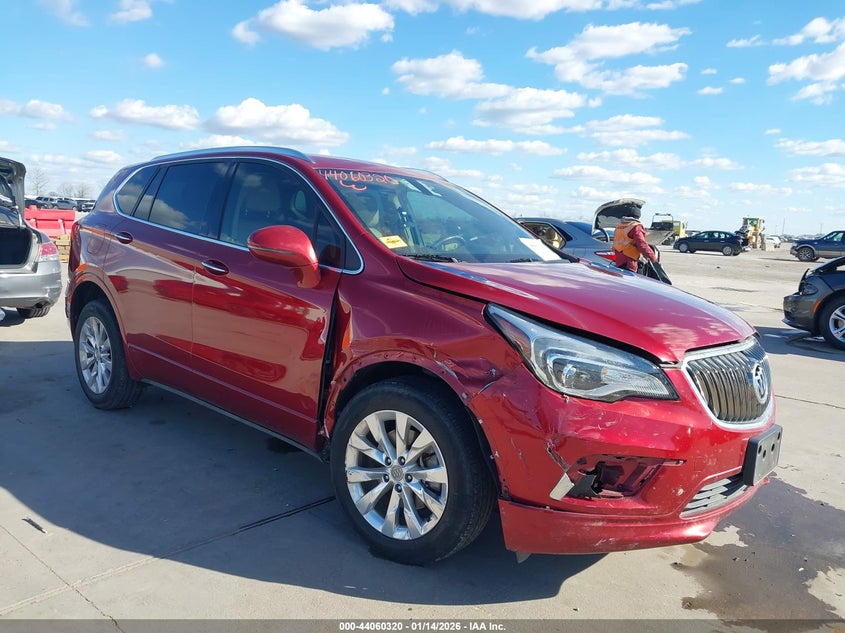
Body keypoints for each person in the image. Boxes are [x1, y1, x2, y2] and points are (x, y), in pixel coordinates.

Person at [612, 202, 658, 273]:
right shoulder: (635, 226)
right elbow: (642, 245)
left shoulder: (620, 226)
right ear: (638, 216)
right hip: (629, 260)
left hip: (619, 259)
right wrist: (653, 257)